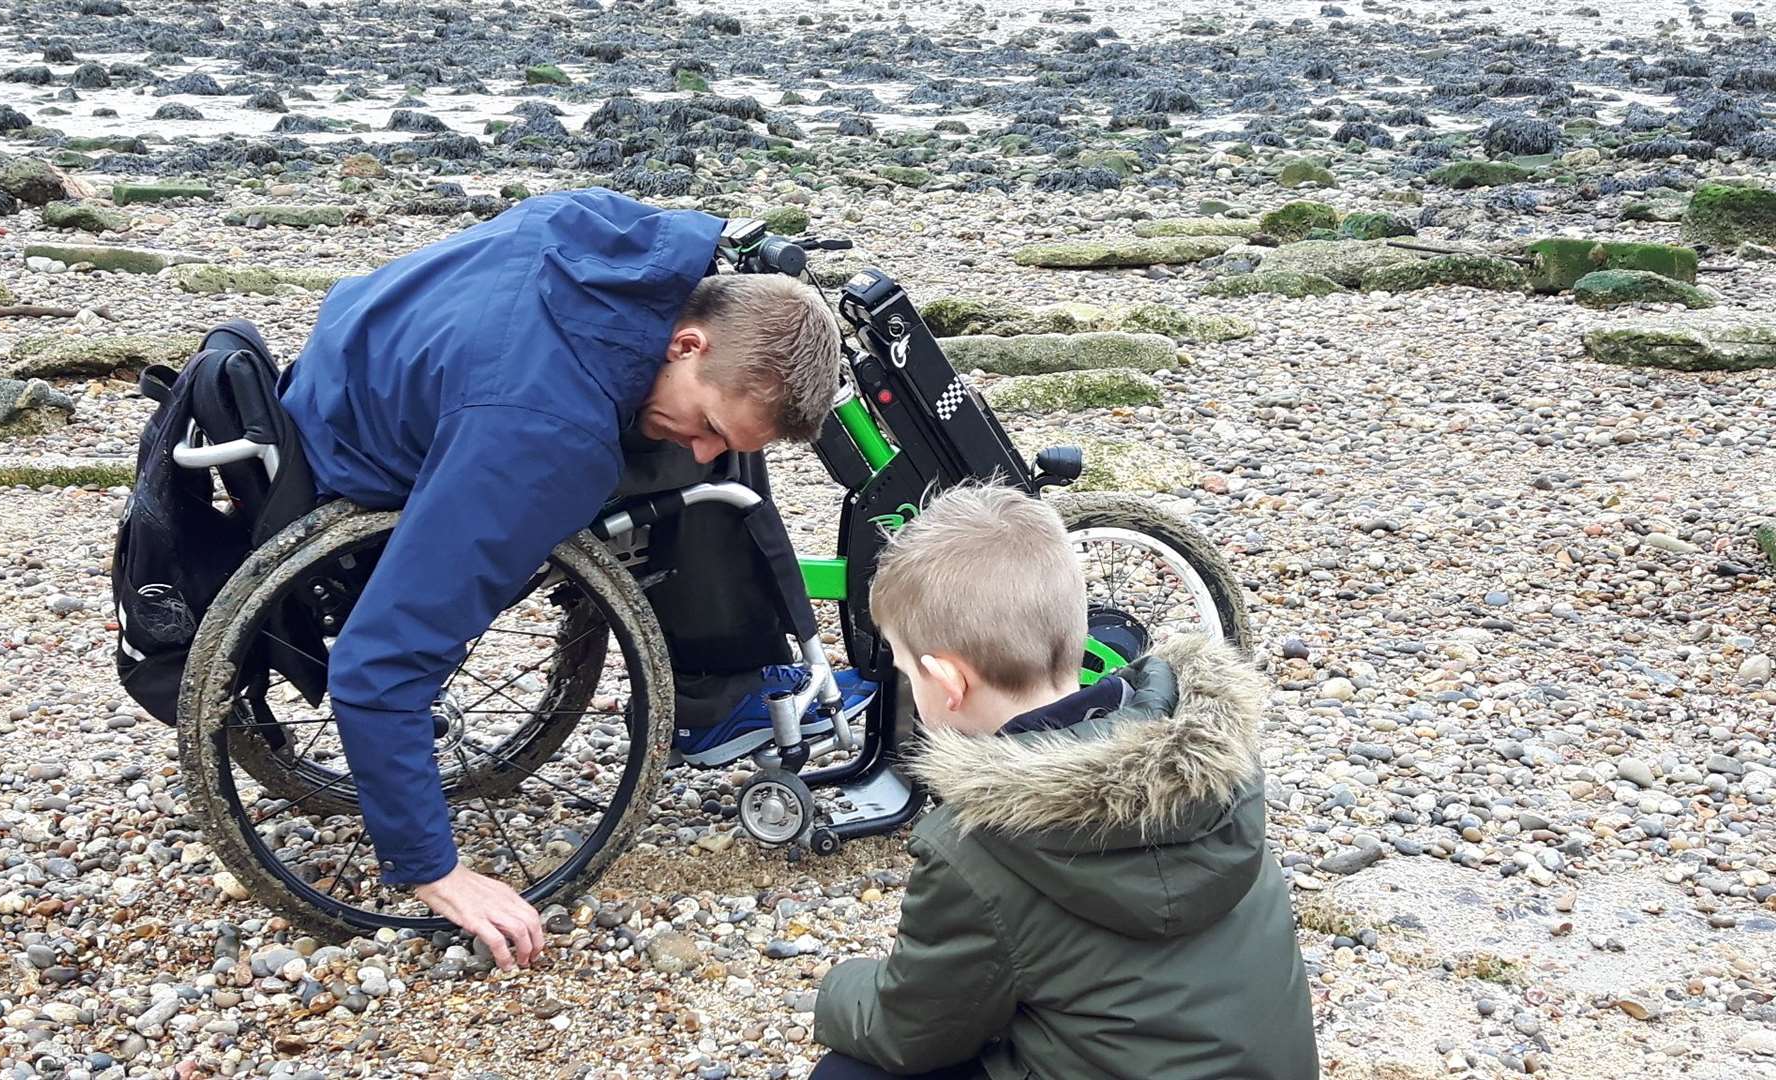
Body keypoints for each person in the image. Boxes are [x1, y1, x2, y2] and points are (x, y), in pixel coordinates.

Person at [277, 187, 848, 969]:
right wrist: (433, 870)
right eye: (713, 424)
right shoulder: (548, 436)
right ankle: (717, 695)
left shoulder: (608, 240)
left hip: (360, 356)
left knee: (705, 464)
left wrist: (712, 432)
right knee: (689, 482)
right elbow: (376, 665)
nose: (707, 448)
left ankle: (725, 684)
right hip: (354, 448)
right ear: (685, 343)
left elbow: (701, 412)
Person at [810, 485, 1320, 1080]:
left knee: (849, 1073)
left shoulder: (981, 841)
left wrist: (835, 988)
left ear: (948, 683)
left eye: (904, 670)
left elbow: (911, 1031)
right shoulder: (1216, 759)